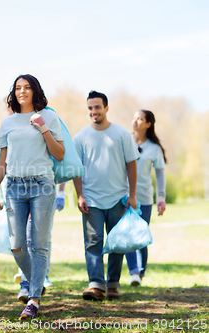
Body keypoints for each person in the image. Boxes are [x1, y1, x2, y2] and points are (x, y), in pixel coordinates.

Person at [0, 74, 65, 319]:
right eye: (18, 88)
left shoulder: (49, 117)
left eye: (27, 87)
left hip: (42, 185)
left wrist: (43, 128)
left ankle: (33, 299)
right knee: (16, 245)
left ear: (35, 91)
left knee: (39, 245)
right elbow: (2, 162)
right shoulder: (7, 123)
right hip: (15, 188)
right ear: (14, 92)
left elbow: (59, 154)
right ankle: (36, 284)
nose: (22, 91)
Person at [72, 91, 139, 301]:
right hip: (91, 200)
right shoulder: (81, 137)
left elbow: (132, 164)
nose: (93, 112)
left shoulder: (121, 134)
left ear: (106, 108)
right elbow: (76, 169)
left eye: (97, 107)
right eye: (90, 108)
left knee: (116, 243)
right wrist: (80, 195)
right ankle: (96, 285)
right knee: (93, 242)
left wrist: (133, 195)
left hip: (117, 198)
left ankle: (112, 284)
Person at [126, 110, 167, 287]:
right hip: (124, 197)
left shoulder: (154, 148)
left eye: (140, 119)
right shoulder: (125, 141)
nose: (135, 121)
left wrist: (161, 198)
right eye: (134, 118)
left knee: (141, 236)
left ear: (148, 124)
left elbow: (159, 173)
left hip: (145, 198)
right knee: (128, 235)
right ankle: (133, 272)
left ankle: (140, 273)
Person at [16, 183, 66, 303]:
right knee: (25, 240)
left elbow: (61, 167)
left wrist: (61, 192)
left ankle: (40, 280)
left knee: (43, 239)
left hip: (47, 189)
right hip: (23, 190)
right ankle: (27, 283)